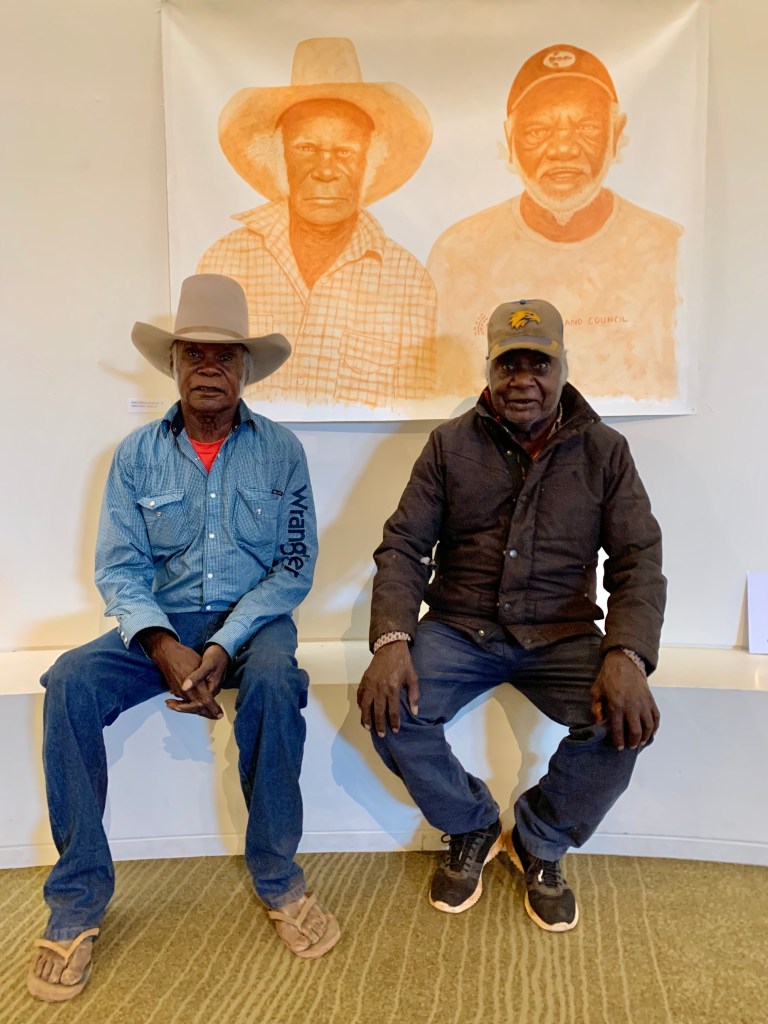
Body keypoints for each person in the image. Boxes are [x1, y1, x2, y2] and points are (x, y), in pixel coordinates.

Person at [28, 274, 339, 1003]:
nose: (208, 368)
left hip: (254, 625)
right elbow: (119, 569)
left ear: (245, 368)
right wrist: (163, 645)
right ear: (172, 364)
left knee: (275, 682)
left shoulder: (282, 452)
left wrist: (224, 644)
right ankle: (76, 901)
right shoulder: (135, 455)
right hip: (160, 628)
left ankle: (280, 879)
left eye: (224, 355)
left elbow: (293, 568)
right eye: (193, 353)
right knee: (69, 681)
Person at [357, 298, 665, 931]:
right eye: (508, 365)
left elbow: (638, 560)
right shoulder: (448, 445)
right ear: (490, 369)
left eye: (539, 365)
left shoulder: (605, 451)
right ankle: (471, 825)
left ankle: (539, 839)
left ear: (563, 367)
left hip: (562, 633)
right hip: (459, 628)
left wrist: (628, 654)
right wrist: (391, 640)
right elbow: (404, 547)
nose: (523, 380)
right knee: (389, 710)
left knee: (624, 723)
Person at [428, 44, 682, 402]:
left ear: (616, 134)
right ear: (510, 140)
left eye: (586, 127)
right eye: (538, 131)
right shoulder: (458, 253)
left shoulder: (666, 249)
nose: (563, 149)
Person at [198, 37, 437, 408]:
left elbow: (416, 409)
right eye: (306, 149)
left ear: (369, 163)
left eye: (345, 152)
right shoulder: (225, 261)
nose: (326, 170)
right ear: (280, 156)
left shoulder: (409, 283)